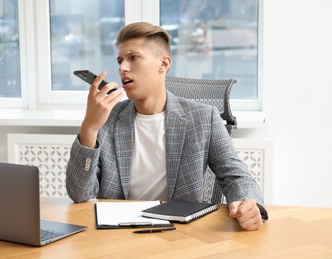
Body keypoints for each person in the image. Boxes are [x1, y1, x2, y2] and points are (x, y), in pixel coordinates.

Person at [66, 22, 268, 231]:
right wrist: (89, 127)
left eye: (133, 57)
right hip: (118, 233)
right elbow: (79, 193)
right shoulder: (106, 118)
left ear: (164, 64)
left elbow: (236, 175)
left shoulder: (203, 117)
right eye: (120, 60)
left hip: (181, 234)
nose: (122, 68)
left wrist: (249, 204)